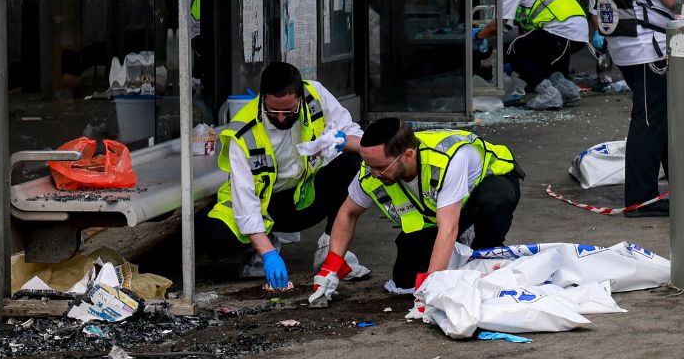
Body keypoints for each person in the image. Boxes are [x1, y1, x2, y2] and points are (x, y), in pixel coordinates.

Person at [200, 63, 364, 293]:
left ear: (299, 96)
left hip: (303, 197)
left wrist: (341, 141)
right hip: (265, 206)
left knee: (353, 162)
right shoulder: (242, 132)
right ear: (263, 98)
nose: (280, 118)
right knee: (215, 237)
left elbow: (356, 135)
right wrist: (267, 253)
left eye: (288, 111)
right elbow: (245, 202)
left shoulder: (315, 94)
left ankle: (330, 248)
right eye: (273, 110)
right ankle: (264, 245)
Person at [317, 118, 522, 299]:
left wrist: (431, 287)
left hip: (485, 191)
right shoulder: (372, 170)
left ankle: (485, 252)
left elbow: (448, 227)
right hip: (438, 213)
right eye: (370, 166)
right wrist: (330, 268)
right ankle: (460, 247)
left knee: (495, 199)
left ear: (407, 155)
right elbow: (347, 213)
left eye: (381, 167)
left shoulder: (447, 160)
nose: (374, 174)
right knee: (406, 280)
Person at [591, 0, 683, 215]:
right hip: (649, 43)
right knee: (650, 119)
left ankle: (679, 185)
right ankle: (641, 199)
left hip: (624, 40)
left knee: (660, 117)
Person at [476, 0, 588, 110]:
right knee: (535, 55)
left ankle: (549, 95)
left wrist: (478, 36)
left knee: (513, 49)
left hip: (561, 30)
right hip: (577, 31)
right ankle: (567, 91)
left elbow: (497, 24)